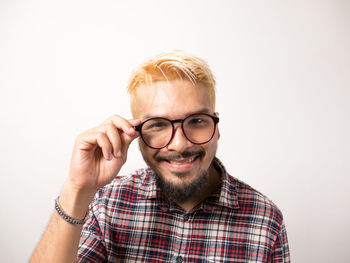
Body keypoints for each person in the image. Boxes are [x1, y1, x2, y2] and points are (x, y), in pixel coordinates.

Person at [30, 50, 290, 263]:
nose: (179, 144)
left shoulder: (265, 221)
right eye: (158, 124)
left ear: (216, 127)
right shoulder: (107, 205)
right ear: (135, 133)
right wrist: (78, 189)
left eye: (197, 121)